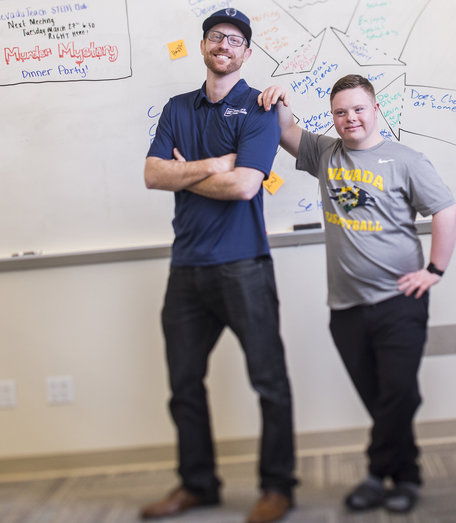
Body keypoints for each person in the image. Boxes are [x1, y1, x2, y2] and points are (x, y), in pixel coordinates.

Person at [259, 74, 456, 514]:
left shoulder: (407, 160)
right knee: (381, 398)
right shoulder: (325, 154)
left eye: (358, 109)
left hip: (400, 301)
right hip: (345, 308)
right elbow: (286, 131)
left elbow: (444, 208)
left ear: (375, 109)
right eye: (340, 112)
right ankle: (406, 477)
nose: (350, 118)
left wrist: (435, 270)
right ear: (333, 117)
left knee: (400, 392)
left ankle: (376, 475)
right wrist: (280, 100)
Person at [140, 9, 297, 523]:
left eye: (234, 39)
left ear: (247, 53)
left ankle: (277, 487)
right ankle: (197, 485)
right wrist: (217, 164)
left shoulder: (259, 107)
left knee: (268, 381)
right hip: (186, 267)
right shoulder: (175, 108)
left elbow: (247, 186)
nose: (223, 44)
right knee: (183, 384)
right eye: (215, 36)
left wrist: (182, 170)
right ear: (203, 46)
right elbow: (151, 175)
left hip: (243, 265)